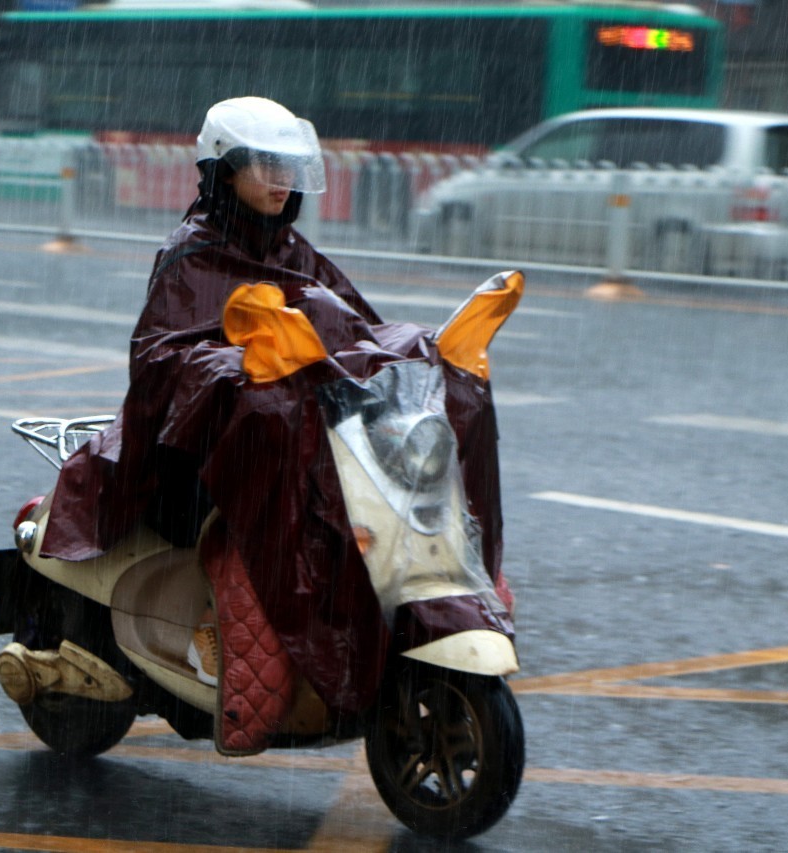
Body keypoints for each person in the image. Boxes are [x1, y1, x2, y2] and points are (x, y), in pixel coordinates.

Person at [39, 97, 509, 735]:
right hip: (200, 451)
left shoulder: (296, 252)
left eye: (286, 166)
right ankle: (214, 638)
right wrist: (243, 373)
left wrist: (421, 352)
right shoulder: (191, 253)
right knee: (266, 454)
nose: (278, 180)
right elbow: (160, 360)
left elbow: (358, 333)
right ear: (221, 172)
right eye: (262, 165)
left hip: (300, 441)